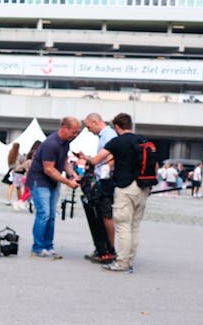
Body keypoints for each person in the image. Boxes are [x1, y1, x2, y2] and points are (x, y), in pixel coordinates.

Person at [88, 113, 154, 273]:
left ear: (117, 126)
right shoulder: (143, 140)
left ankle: (122, 262)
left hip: (125, 188)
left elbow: (96, 161)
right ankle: (130, 259)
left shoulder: (117, 142)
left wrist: (85, 158)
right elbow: (155, 165)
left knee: (123, 225)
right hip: (143, 187)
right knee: (134, 226)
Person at [28, 116, 81, 258]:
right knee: (44, 214)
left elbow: (64, 162)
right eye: (74, 132)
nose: (75, 135)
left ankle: (48, 245)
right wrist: (68, 182)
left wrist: (72, 174)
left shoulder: (65, 143)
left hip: (52, 182)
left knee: (51, 215)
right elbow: (49, 169)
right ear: (64, 128)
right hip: (40, 181)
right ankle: (37, 248)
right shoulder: (51, 144)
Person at [79, 113, 116, 260]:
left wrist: (104, 173)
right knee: (99, 215)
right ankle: (102, 247)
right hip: (103, 179)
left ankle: (109, 249)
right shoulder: (105, 135)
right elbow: (101, 159)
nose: (88, 130)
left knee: (105, 215)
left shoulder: (108, 135)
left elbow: (111, 156)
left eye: (88, 127)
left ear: (95, 122)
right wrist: (88, 158)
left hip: (104, 181)